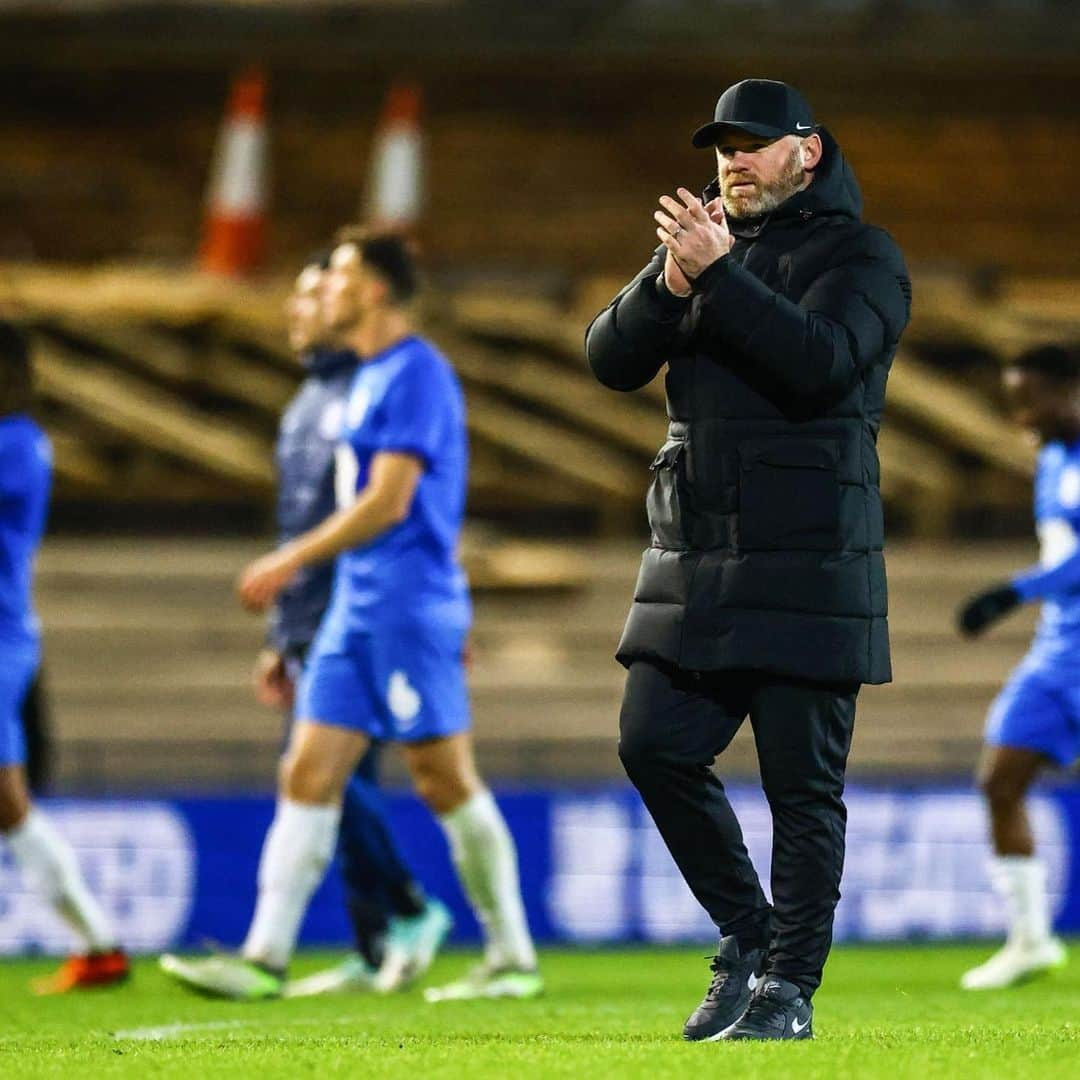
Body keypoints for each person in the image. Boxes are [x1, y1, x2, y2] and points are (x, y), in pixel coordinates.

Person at [587, 79, 910, 1041]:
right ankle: (749, 935)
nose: (732, 159)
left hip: (813, 554)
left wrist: (718, 275)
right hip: (696, 552)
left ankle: (787, 991)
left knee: (800, 790)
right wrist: (667, 283)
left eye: (754, 143)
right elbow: (608, 359)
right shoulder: (696, 256)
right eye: (723, 146)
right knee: (653, 744)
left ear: (806, 152)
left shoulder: (864, 256)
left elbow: (818, 366)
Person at [160, 229, 541, 1003]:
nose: (320, 290)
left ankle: (511, 957)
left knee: (442, 779)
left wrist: (291, 558)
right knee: (306, 770)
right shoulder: (366, 377)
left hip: (406, 604)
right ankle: (263, 956)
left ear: (372, 291)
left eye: (334, 276)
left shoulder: (415, 373)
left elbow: (389, 500)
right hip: (353, 607)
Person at [248, 254, 451, 998]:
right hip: (310, 613)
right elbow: (297, 517)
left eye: (315, 292)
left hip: (357, 609)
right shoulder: (307, 398)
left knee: (332, 779)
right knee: (328, 781)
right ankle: (377, 940)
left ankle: (405, 910)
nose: (301, 309)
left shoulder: (371, 385)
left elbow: (372, 510)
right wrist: (280, 630)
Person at [0, 320, 129, 993]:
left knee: (9, 801)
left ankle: (102, 946)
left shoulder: (18, 445)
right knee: (8, 804)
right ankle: (101, 946)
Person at [955, 343, 1080, 990]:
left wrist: (1013, 592)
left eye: (1033, 401)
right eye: (1016, 403)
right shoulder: (1053, 457)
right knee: (1001, 781)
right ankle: (1031, 940)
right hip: (1060, 651)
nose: (1023, 416)